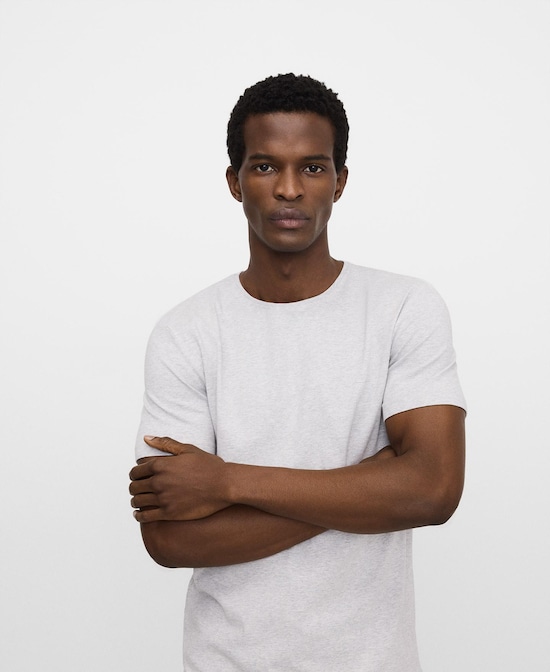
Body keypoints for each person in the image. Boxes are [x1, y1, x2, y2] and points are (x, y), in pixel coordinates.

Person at [129, 73, 466, 672]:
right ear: (235, 182)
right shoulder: (185, 332)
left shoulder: (403, 308)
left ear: (340, 181)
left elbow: (433, 491)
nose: (289, 189)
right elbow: (170, 539)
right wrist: (369, 484)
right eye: (265, 167)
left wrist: (226, 483)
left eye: (312, 167)